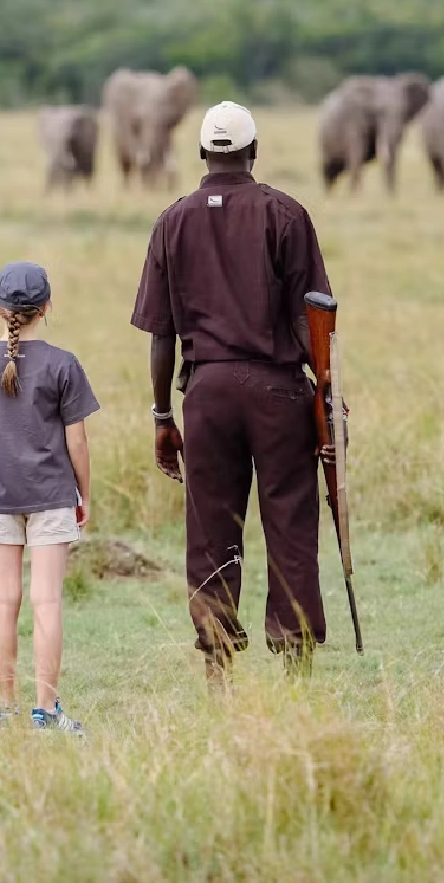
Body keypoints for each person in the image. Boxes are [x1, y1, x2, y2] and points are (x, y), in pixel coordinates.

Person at [131, 101, 332, 683]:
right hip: (278, 391)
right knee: (290, 520)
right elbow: (313, 319)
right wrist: (329, 396)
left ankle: (218, 667)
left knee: (211, 526)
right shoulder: (286, 214)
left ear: (201, 153)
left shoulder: (172, 220)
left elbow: (161, 334)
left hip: (207, 392)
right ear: (254, 152)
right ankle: (296, 664)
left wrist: (163, 414)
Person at [0, 262, 99, 732]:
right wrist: (84, 493)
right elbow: (78, 442)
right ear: (46, 308)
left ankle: (5, 709)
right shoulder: (63, 363)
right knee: (47, 603)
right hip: (51, 496)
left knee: (3, 601)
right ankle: (46, 710)